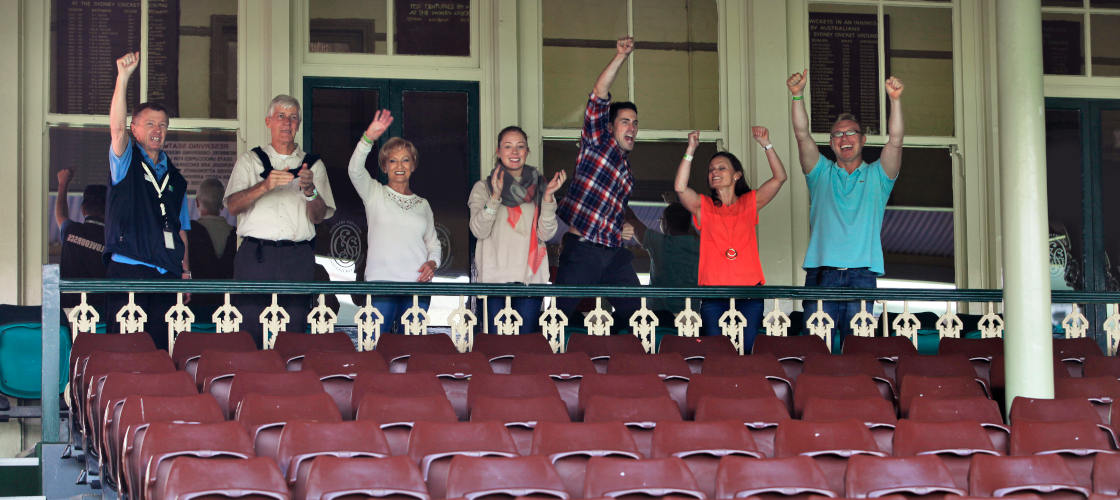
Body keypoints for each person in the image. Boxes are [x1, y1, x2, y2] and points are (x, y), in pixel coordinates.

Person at [787, 69, 905, 352]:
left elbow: (896, 141)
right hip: (821, 274)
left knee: (860, 355)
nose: (845, 137)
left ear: (863, 140)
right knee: (816, 353)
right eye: (838, 134)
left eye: (852, 132)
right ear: (831, 143)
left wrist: (895, 100)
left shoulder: (879, 176)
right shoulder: (820, 173)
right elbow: (802, 135)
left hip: (862, 276)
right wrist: (797, 96)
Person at [225, 94, 336, 344]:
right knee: (249, 327)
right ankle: (250, 382)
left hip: (296, 256)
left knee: (293, 329)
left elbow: (318, 217)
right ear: (269, 122)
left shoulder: (313, 166)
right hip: (256, 254)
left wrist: (311, 191)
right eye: (281, 117)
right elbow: (232, 207)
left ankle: (290, 383)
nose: (287, 123)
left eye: (293, 118)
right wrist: (265, 186)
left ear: (298, 124)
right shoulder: (250, 161)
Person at [105, 51, 191, 350]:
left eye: (163, 125)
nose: (157, 130)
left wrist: (185, 270)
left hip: (166, 272)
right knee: (126, 353)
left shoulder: (176, 179)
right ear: (135, 129)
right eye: (150, 124)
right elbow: (115, 129)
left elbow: (180, 229)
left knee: (162, 351)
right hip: (130, 269)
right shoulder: (126, 162)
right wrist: (123, 78)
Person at [555, 36, 642, 328]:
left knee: (637, 315)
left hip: (614, 251)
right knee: (561, 315)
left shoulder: (627, 171)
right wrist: (620, 56)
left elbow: (612, 210)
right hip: (583, 248)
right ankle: (551, 369)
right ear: (609, 125)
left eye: (635, 123)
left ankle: (626, 367)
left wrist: (623, 227)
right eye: (625, 121)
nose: (632, 127)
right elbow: (599, 93)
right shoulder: (597, 142)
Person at [674, 128, 788, 349]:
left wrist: (767, 144)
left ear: (737, 175)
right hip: (714, 295)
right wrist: (690, 150)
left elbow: (780, 178)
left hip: (749, 294)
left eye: (721, 168)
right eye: (711, 170)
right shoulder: (703, 206)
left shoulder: (749, 203)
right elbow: (680, 187)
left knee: (746, 352)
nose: (714, 172)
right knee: (717, 352)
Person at [347, 109, 440, 332]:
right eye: (393, 161)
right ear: (385, 166)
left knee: (411, 349)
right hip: (381, 284)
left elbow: (433, 244)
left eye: (405, 160)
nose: (400, 166)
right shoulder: (374, 193)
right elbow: (354, 170)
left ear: (413, 165)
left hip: (417, 286)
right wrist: (368, 138)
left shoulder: (422, 204)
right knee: (378, 347)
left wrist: (433, 263)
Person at [469, 126, 567, 334]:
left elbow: (546, 234)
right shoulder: (483, 188)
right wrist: (495, 197)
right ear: (498, 151)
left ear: (527, 151)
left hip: (529, 280)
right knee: (496, 352)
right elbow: (479, 230)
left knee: (524, 349)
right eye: (508, 146)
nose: (514, 152)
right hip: (494, 281)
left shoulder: (541, 189)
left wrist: (548, 197)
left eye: (520, 147)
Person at [630, 200, 700, 325]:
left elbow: (633, 221)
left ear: (666, 223)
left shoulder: (660, 243)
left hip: (659, 317)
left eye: (661, 219)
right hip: (691, 317)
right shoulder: (700, 245)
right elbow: (692, 233)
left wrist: (617, 200)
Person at [54, 168, 108, 314]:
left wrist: (62, 184)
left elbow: (60, 215)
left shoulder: (71, 230)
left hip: (69, 311)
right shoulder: (113, 239)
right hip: (101, 314)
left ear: (83, 210)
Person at [186, 177, 235, 319]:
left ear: (196, 203)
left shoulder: (189, 233)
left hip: (194, 308)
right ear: (222, 206)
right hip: (226, 311)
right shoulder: (235, 235)